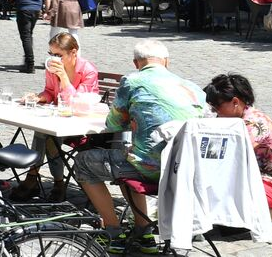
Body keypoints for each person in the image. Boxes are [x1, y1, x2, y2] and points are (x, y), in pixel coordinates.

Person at [74, 40, 205, 255]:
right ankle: (143, 232)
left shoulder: (133, 81)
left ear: (136, 63)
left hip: (152, 170)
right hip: (187, 171)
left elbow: (114, 124)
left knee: (83, 162)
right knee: (128, 157)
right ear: (166, 62)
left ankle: (113, 231)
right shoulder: (193, 88)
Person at [204, 74, 272, 243]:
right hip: (267, 179)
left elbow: (229, 156)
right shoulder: (239, 118)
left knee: (223, 190)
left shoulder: (254, 124)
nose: (214, 112)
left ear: (235, 102)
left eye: (217, 107)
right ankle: (238, 221)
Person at [11, 33, 99, 201]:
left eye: (58, 55)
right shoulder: (52, 69)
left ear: (73, 52)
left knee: (48, 136)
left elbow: (77, 103)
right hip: (58, 120)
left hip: (81, 124)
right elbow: (50, 92)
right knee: (43, 132)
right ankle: (55, 182)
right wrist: (38, 97)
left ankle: (35, 178)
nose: (53, 59)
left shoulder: (88, 71)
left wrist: (64, 77)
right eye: (51, 54)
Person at [9, 0, 49, 73]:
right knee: (29, 34)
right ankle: (27, 61)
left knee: (25, 36)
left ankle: (30, 65)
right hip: (36, 9)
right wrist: (47, 10)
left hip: (24, 8)